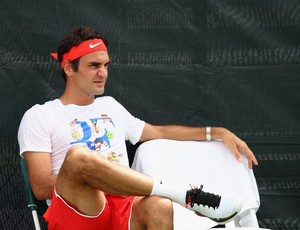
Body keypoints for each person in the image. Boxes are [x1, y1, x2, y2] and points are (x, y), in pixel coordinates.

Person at [18, 26, 258, 230]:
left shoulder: (111, 106)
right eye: (94, 65)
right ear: (69, 68)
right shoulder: (40, 115)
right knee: (78, 157)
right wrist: (93, 175)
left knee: (159, 206)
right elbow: (40, 187)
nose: (103, 73)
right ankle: (182, 193)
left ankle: (176, 196)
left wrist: (217, 132)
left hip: (123, 205)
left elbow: (160, 132)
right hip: (79, 210)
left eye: (106, 65)